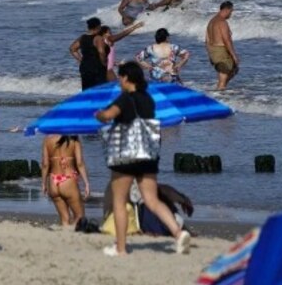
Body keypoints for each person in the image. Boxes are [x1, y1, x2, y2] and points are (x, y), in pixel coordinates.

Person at [95, 61, 191, 257]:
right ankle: (178, 232)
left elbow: (108, 116)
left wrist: (99, 114)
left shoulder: (124, 99)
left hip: (126, 155)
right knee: (152, 199)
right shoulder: (148, 99)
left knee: (119, 201)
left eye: (121, 77)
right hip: (147, 154)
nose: (119, 81)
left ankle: (121, 248)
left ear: (126, 78)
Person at [41, 135, 90, 227]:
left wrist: (43, 183)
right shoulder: (74, 139)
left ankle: (66, 234)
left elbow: (45, 164)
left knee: (64, 219)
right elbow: (80, 163)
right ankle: (76, 238)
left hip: (53, 181)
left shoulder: (47, 140)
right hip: (68, 179)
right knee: (80, 217)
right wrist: (86, 183)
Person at [206, 1, 239, 90]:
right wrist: (234, 55)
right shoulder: (222, 22)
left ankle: (220, 87)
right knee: (225, 72)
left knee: (233, 70)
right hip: (221, 51)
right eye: (231, 11)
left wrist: (210, 54)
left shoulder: (211, 21)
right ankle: (220, 91)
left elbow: (207, 40)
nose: (231, 14)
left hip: (213, 51)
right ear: (226, 10)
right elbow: (226, 40)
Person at [70, 17, 107, 90]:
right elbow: (101, 52)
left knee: (87, 90)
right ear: (98, 26)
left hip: (85, 67)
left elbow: (72, 49)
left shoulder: (82, 37)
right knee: (99, 90)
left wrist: (81, 60)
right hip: (96, 67)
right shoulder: (98, 38)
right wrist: (104, 62)